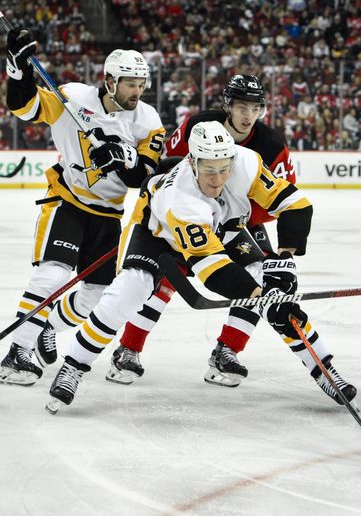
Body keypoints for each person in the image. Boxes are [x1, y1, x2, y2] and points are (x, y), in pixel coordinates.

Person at [44, 121, 356, 413]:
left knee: (272, 289)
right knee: (130, 290)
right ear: (192, 162)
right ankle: (73, 365)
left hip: (223, 226)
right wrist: (259, 294)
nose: (217, 179)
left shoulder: (246, 162)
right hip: (157, 233)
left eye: (224, 169)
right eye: (209, 170)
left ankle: (326, 372)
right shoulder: (180, 198)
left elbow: (295, 204)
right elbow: (212, 268)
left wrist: (283, 263)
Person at [91, 74, 296, 387]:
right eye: (241, 106)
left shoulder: (272, 143)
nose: (246, 114)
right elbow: (167, 167)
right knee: (166, 275)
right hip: (191, 211)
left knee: (258, 273)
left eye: (254, 107)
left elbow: (282, 196)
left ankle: (227, 350)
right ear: (228, 105)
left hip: (240, 221)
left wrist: (236, 216)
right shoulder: (198, 126)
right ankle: (128, 348)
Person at [0, 29, 165, 385]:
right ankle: (17, 351)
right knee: (55, 272)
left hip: (109, 214)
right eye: (130, 83)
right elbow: (23, 107)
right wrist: (18, 69)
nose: (137, 91)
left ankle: (48, 328)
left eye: (141, 83)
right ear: (110, 80)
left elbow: (143, 176)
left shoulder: (148, 120)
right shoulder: (72, 97)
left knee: (97, 293)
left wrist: (122, 154)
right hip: (68, 201)